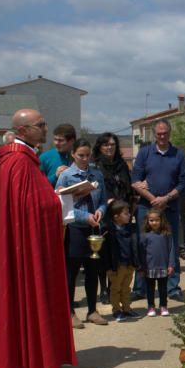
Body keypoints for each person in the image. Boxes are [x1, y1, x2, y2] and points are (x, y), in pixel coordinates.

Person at [0, 109, 77, 368]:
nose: (46, 129)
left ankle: (35, 356)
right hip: (24, 246)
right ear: (23, 130)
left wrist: (55, 197)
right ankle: (27, 361)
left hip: (27, 239)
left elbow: (31, 202)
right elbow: (34, 207)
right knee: (25, 292)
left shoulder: (25, 159)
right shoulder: (17, 161)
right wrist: (62, 199)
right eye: (40, 125)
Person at [131, 120, 185, 299]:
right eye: (158, 133)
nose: (162, 136)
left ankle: (172, 288)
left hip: (169, 207)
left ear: (170, 133)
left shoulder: (179, 155)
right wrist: (153, 199)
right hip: (146, 207)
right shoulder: (144, 153)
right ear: (154, 134)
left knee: (171, 246)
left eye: (165, 133)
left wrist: (167, 198)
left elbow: (184, 182)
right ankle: (140, 289)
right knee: (143, 245)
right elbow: (135, 181)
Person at [56, 138, 108, 327]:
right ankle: (69, 312)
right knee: (72, 272)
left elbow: (103, 199)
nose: (85, 159)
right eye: (81, 155)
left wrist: (101, 211)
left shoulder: (96, 174)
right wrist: (84, 216)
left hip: (94, 228)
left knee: (93, 270)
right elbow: (61, 206)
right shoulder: (66, 176)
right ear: (73, 155)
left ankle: (92, 310)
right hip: (75, 229)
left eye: (88, 155)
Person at [91, 132, 133, 303]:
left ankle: (112, 287)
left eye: (112, 144)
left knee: (117, 252)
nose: (109, 147)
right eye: (105, 144)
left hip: (120, 214)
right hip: (104, 213)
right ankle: (102, 288)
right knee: (103, 253)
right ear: (100, 147)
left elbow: (128, 187)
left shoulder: (122, 165)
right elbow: (94, 189)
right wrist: (106, 201)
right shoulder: (95, 166)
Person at [102, 200, 139, 322]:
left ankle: (127, 308)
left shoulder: (131, 229)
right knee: (115, 289)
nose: (129, 215)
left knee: (126, 288)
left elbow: (134, 246)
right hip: (116, 266)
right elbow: (105, 252)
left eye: (129, 213)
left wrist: (135, 262)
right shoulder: (108, 231)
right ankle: (116, 310)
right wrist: (108, 267)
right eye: (126, 213)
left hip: (128, 264)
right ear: (116, 217)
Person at [140, 210, 176, 317]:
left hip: (163, 267)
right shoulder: (144, 236)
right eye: (151, 220)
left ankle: (163, 306)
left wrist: (171, 264)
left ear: (162, 220)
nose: (154, 222)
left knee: (163, 288)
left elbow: (171, 250)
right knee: (150, 289)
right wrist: (141, 267)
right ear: (147, 221)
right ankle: (151, 306)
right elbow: (141, 253)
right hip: (149, 267)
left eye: (157, 220)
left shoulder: (167, 234)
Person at [39, 123, 76, 187]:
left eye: (60, 140)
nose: (56, 143)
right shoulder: (45, 157)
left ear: (71, 141)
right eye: (55, 139)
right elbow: (38, 185)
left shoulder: (79, 157)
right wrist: (55, 176)